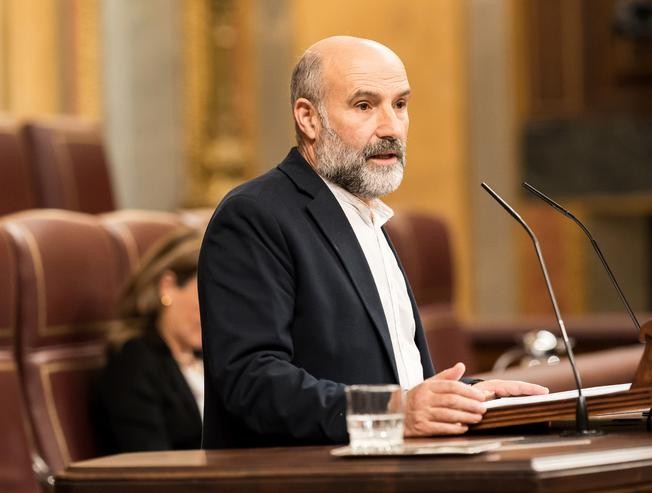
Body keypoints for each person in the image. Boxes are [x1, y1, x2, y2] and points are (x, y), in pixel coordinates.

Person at [198, 35, 547, 448]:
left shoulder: (368, 217)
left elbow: (392, 381)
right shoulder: (255, 215)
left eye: (400, 105)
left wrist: (465, 396)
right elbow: (251, 382)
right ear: (308, 118)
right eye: (365, 106)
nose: (391, 128)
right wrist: (398, 410)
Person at [93, 228, 204, 453]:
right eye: (207, 295)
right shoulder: (133, 361)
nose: (219, 313)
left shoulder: (209, 355)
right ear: (168, 287)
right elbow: (149, 465)